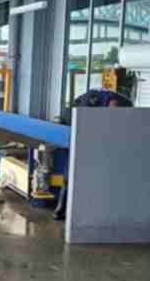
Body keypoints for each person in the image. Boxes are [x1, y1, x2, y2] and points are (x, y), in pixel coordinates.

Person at [52, 88, 133, 220]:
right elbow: (84, 123)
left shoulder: (125, 105)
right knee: (70, 174)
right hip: (78, 130)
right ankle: (61, 209)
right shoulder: (90, 100)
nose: (114, 114)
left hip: (100, 140)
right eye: (113, 110)